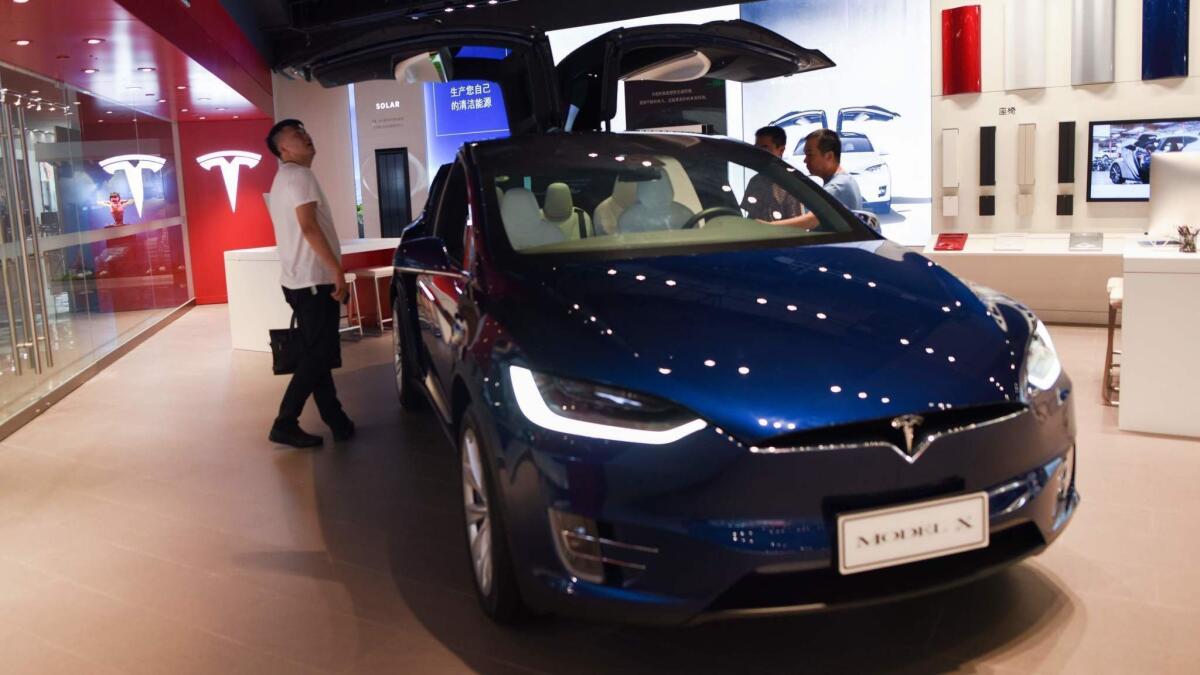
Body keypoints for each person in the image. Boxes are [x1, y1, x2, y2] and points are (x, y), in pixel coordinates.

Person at [265, 118, 355, 448]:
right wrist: (336, 271)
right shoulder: (299, 176)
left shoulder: (284, 178)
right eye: (296, 135)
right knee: (318, 356)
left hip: (299, 280)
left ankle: (337, 420)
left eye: (305, 131)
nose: (305, 136)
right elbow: (308, 227)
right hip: (314, 280)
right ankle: (285, 421)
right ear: (283, 149)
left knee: (319, 354)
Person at [769, 128, 864, 230]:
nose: (805, 160)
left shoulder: (837, 187)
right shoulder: (847, 180)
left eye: (810, 155)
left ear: (829, 156)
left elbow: (810, 221)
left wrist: (766, 227)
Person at [740, 126, 806, 222]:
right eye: (756, 148)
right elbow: (751, 216)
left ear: (781, 150)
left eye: (764, 148)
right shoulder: (755, 180)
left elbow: (797, 223)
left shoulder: (791, 184)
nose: (759, 152)